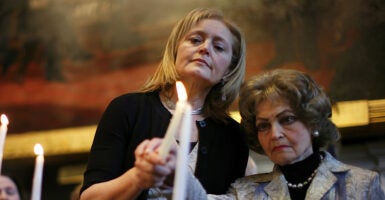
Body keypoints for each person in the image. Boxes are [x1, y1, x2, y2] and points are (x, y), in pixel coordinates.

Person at [80, 7, 251, 199]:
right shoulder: (127, 109)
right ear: (175, 50)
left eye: (218, 47)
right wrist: (138, 177)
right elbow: (90, 197)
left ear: (229, 69)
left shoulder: (233, 135)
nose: (204, 48)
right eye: (195, 40)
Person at [186, 69, 385, 199]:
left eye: (287, 119)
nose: (275, 134)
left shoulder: (362, 184)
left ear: (312, 121)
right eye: (263, 126)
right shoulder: (246, 192)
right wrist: (170, 172)